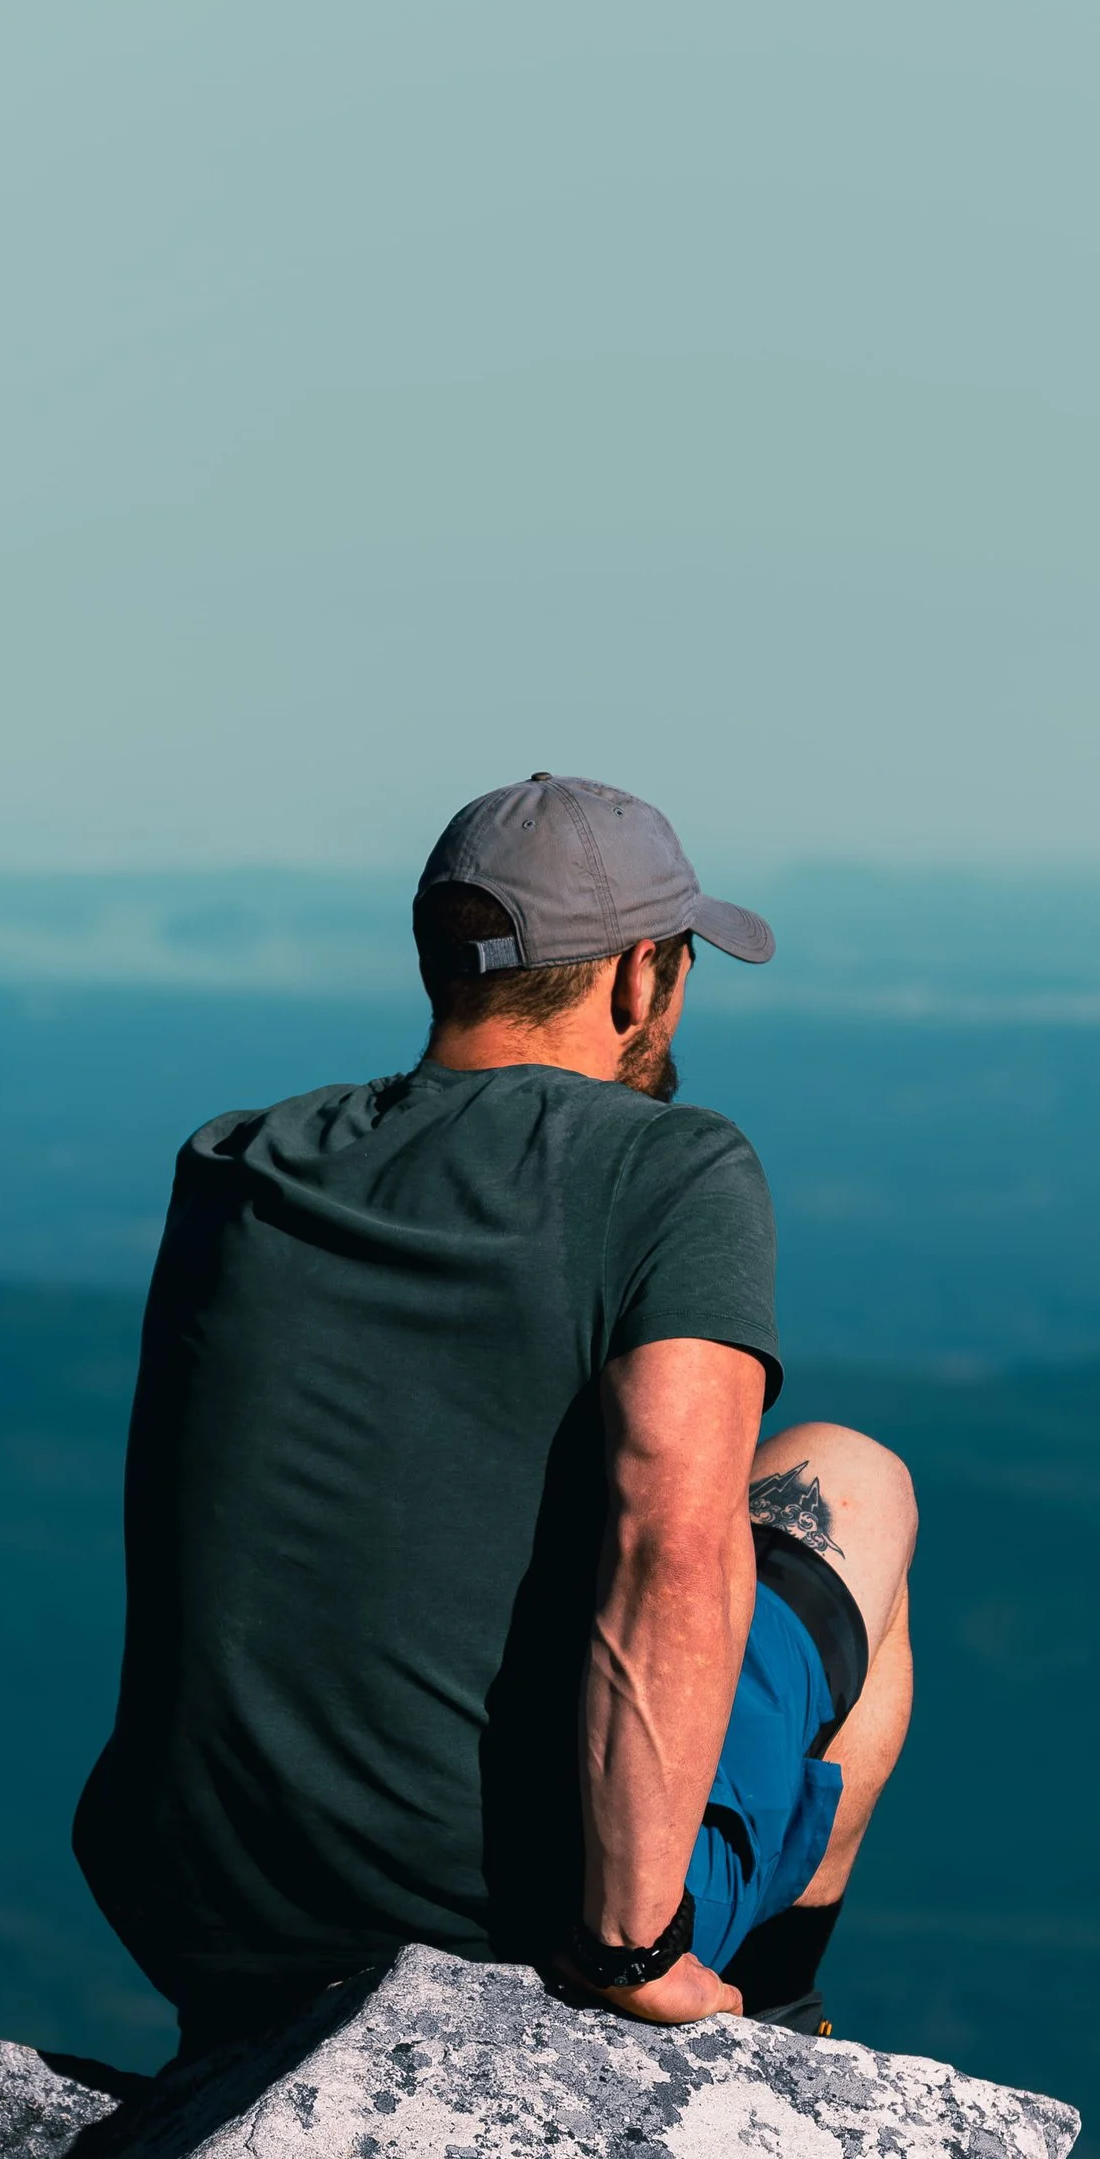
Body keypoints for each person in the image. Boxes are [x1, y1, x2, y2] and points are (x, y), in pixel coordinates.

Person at [74, 774, 916, 2052]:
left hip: (192, 1906)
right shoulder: (669, 1166)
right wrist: (628, 1943)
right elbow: (669, 1545)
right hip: (480, 1919)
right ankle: (769, 2017)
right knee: (849, 1479)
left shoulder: (236, 1163)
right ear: (640, 976)